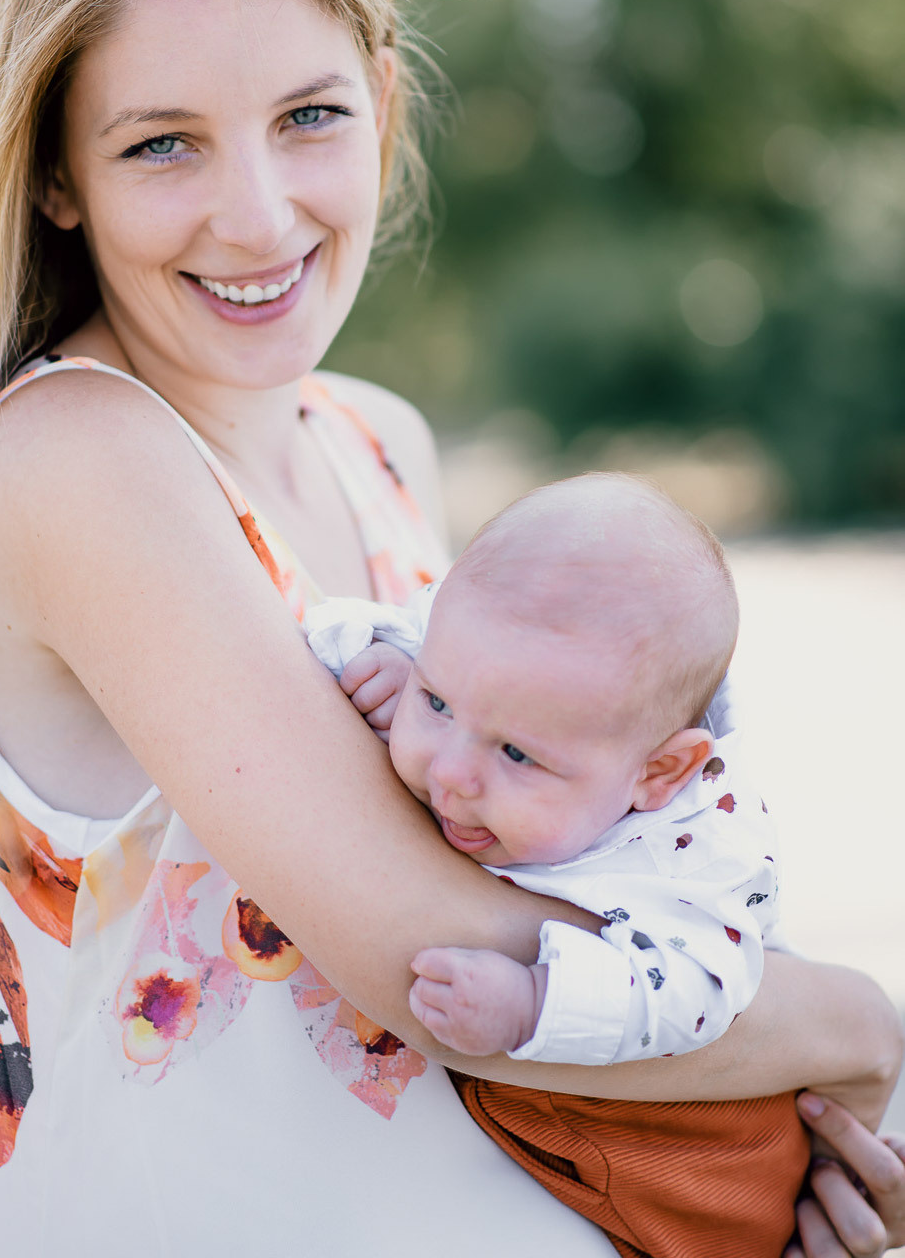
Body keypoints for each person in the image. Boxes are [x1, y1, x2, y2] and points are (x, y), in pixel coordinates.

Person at [0, 0, 902, 1258]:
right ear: (53, 177)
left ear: (385, 104)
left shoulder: (379, 444)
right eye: (162, 146)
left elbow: (547, 900)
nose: (260, 216)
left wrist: (750, 1178)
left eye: (309, 117)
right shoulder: (77, 456)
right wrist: (843, 1025)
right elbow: (432, 958)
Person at [307, 473, 810, 1257]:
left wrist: (536, 1002)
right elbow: (348, 626)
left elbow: (698, 994)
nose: (452, 774)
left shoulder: (703, 858)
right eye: (439, 704)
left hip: (691, 1146)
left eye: (515, 753)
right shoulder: (500, 669)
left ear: (660, 772)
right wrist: (388, 664)